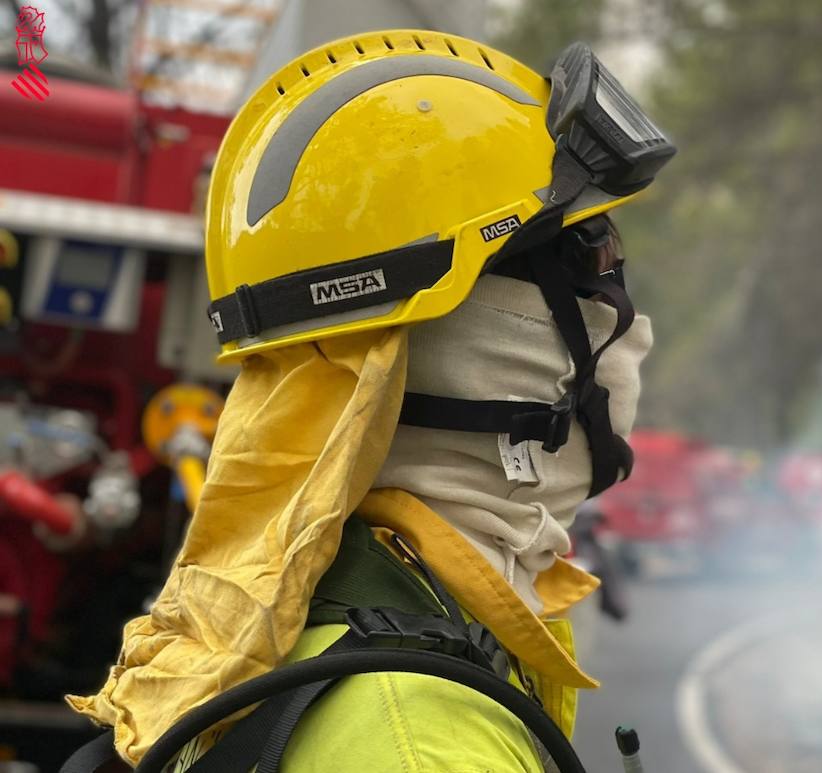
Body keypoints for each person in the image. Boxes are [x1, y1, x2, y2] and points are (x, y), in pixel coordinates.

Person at [63, 29, 673, 773]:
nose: (624, 316)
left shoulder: (313, 616)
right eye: (590, 257)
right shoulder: (426, 744)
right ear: (456, 332)